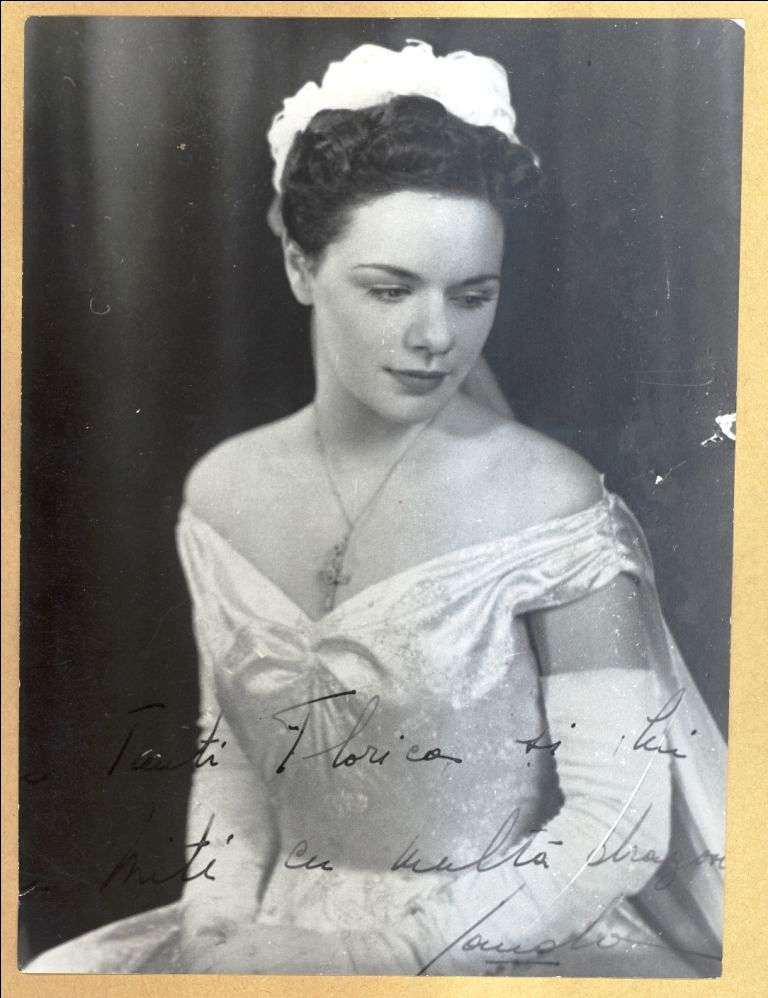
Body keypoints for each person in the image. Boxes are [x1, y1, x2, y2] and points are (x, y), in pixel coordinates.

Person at [25, 39, 726, 977]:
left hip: (493, 942)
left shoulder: (550, 500)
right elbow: (234, 758)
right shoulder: (223, 489)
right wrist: (216, 932)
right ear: (300, 265)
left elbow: (619, 823)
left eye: (472, 296)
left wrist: (376, 955)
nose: (435, 336)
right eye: (390, 290)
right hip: (277, 935)